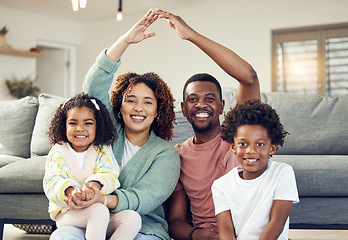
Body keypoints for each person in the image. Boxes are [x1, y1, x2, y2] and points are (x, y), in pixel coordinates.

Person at [49, 9, 180, 240]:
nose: (138, 108)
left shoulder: (166, 153)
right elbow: (93, 86)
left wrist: (100, 198)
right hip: (86, 218)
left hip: (143, 227)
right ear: (119, 106)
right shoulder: (104, 134)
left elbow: (145, 197)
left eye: (147, 102)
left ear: (158, 110)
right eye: (131, 100)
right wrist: (125, 41)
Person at [152, 9, 261, 240]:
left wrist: (191, 35)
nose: (201, 104)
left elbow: (249, 77)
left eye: (209, 99)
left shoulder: (240, 134)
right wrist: (198, 234)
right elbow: (175, 222)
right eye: (193, 99)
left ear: (221, 106)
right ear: (183, 109)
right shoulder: (178, 156)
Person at [43, 93, 141, 240]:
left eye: (88, 123)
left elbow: (110, 173)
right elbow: (52, 181)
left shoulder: (102, 149)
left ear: (98, 126)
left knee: (133, 218)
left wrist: (94, 187)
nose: (80, 128)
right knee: (98, 210)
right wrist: (72, 192)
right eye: (73, 123)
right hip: (69, 212)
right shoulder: (58, 151)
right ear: (64, 125)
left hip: (99, 212)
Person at [212, 99, 299, 240]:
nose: (251, 150)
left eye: (259, 144)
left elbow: (277, 223)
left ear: (273, 147)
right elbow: (226, 230)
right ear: (233, 146)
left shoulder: (283, 173)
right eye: (243, 144)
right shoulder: (221, 185)